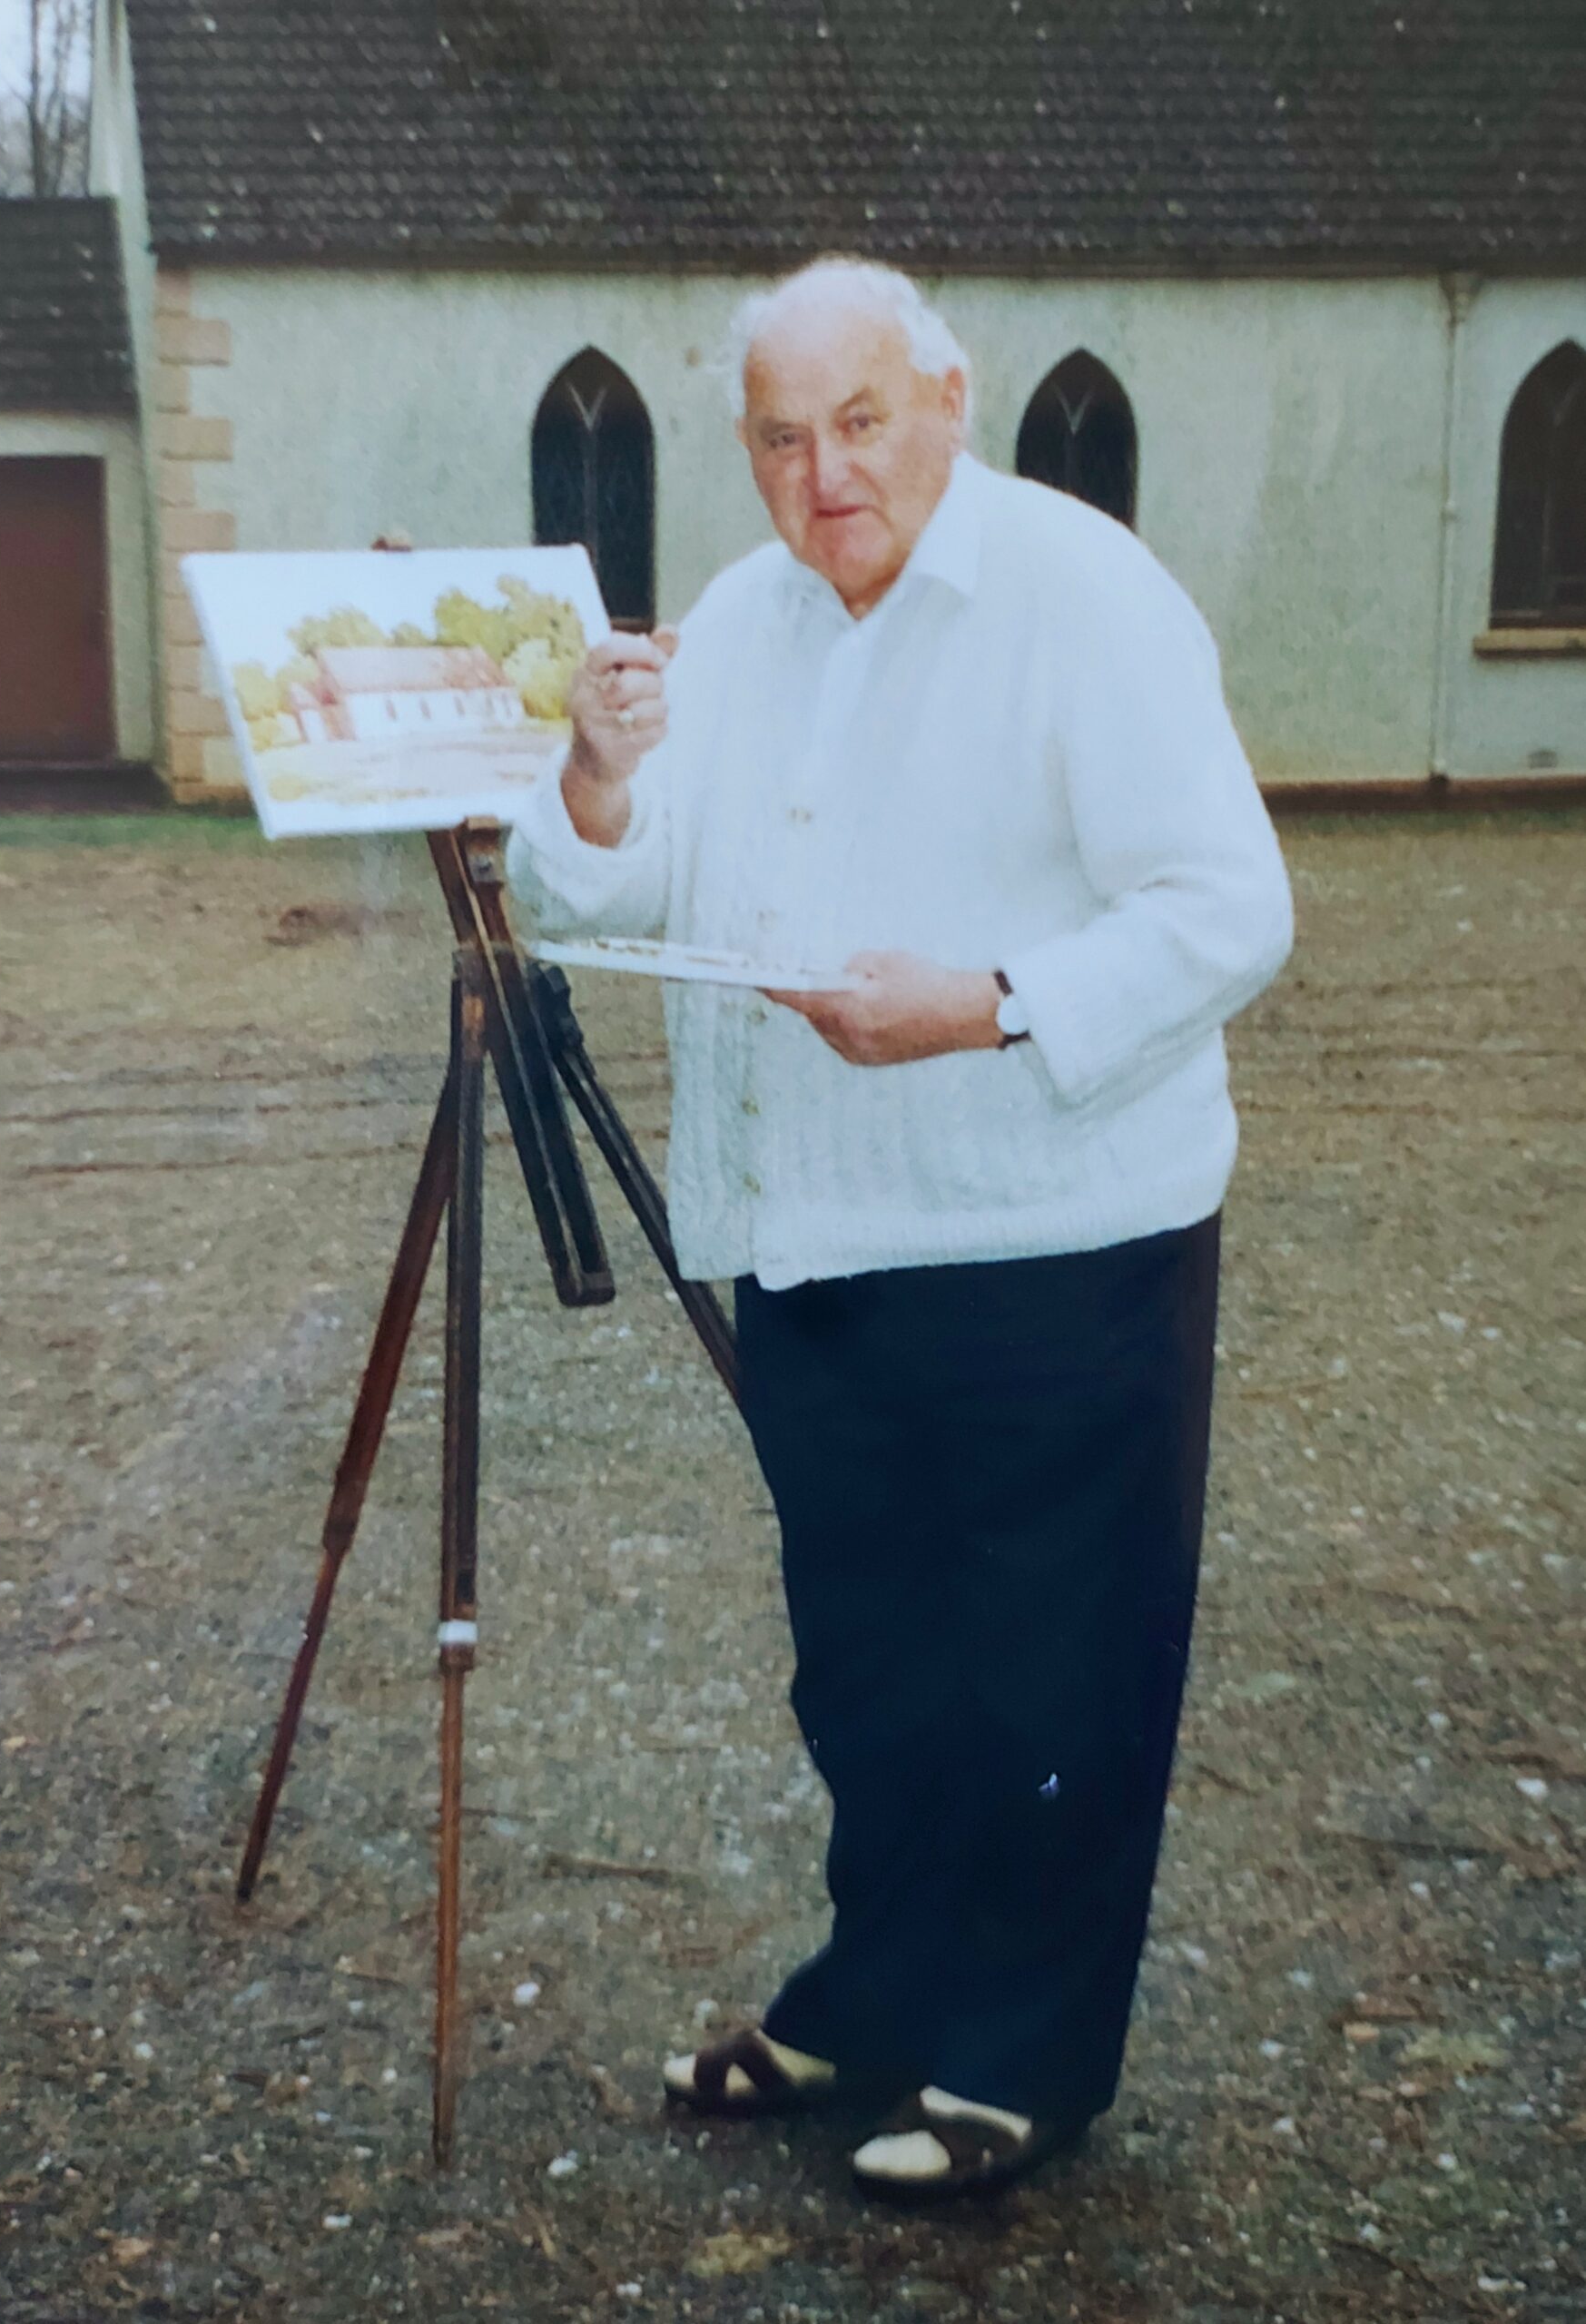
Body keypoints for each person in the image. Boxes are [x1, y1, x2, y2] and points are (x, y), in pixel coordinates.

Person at [506, 257, 1294, 2202]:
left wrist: (984, 998)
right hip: (816, 1238)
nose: (821, 470)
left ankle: (1021, 2061)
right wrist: (600, 776)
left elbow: (1227, 908)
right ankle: (880, 1991)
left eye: (858, 420)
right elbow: (605, 893)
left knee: (1051, 1669)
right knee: (868, 1668)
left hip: (1050, 1233)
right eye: (781, 434)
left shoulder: (1080, 592)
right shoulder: (752, 621)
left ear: (948, 396)